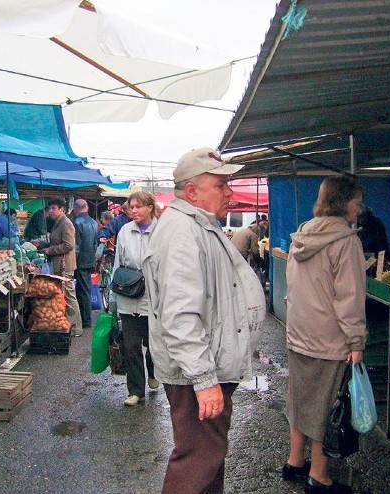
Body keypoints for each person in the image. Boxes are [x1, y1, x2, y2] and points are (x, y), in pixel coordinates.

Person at [142, 148, 266, 493]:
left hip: (205, 366)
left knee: (208, 457)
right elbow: (180, 317)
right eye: (221, 184)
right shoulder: (183, 233)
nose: (229, 192)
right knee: (197, 461)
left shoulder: (197, 225)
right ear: (193, 191)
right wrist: (205, 379)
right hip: (195, 370)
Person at [284, 176, 367, 494]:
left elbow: (293, 287)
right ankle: (319, 477)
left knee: (300, 400)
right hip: (329, 339)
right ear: (344, 203)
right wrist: (356, 340)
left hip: (299, 333)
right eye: (356, 202)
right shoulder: (346, 241)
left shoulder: (302, 235)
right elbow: (349, 297)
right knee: (326, 406)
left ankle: (294, 462)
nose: (358, 209)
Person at [110, 191, 159, 407]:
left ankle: (154, 372)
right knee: (130, 346)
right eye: (132, 207)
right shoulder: (124, 231)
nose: (134, 211)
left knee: (153, 345)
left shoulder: (162, 232)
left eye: (139, 206)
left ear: (150, 207)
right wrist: (113, 300)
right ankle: (136, 391)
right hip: (128, 298)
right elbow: (117, 264)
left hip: (153, 299)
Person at [40, 197, 82, 336]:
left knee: (69, 296)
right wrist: (42, 245)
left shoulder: (66, 224)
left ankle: (76, 328)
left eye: (54, 208)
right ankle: (67, 325)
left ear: (61, 209)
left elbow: (68, 245)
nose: (50, 211)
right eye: (49, 208)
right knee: (64, 295)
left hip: (65, 266)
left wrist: (50, 250)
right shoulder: (57, 223)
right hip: (58, 265)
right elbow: (57, 241)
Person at [72, 199, 97, 329]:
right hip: (89, 260)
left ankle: (85, 320)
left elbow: (76, 246)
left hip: (80, 261)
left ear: (75, 209)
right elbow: (94, 244)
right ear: (86, 208)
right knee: (85, 289)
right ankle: (85, 318)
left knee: (82, 291)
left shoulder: (76, 223)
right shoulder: (93, 222)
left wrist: (72, 262)